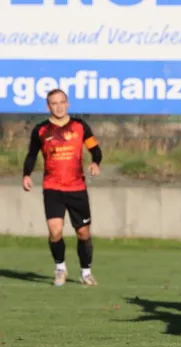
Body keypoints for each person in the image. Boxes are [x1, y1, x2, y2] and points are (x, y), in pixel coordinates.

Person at [22, 89, 102, 287]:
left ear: (68, 104)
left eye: (61, 102)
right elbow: (32, 155)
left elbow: (95, 149)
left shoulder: (80, 126)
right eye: (54, 103)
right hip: (52, 188)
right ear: (48, 106)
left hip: (76, 188)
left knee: (83, 233)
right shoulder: (40, 130)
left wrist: (95, 162)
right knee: (55, 231)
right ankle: (60, 269)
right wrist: (26, 174)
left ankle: (86, 272)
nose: (58, 106)